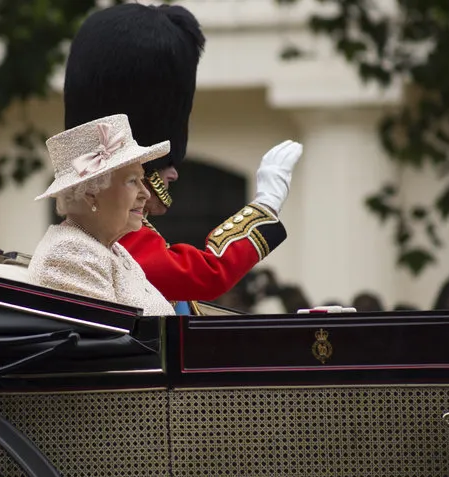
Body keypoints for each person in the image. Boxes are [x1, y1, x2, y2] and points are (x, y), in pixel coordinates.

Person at [64, 3, 303, 314]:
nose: (174, 173)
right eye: (135, 175)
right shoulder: (114, 236)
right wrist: (265, 206)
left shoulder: (119, 232)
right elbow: (207, 273)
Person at [29, 114, 175, 316]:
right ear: (91, 194)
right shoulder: (72, 253)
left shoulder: (110, 248)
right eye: (133, 181)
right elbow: (114, 343)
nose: (146, 194)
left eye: (142, 180)